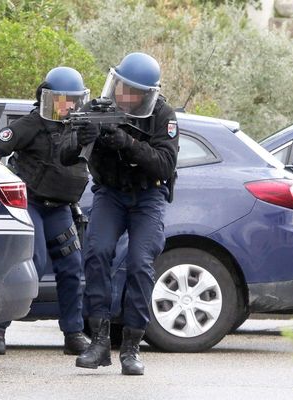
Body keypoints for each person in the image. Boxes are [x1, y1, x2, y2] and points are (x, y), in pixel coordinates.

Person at [60, 52, 179, 375]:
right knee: (97, 252)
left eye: (133, 92)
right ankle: (99, 341)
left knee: (140, 263)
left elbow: (165, 165)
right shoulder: (97, 109)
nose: (125, 96)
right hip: (110, 194)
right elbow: (65, 153)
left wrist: (126, 142)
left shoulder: (162, 115)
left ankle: (131, 347)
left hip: (148, 196)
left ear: (146, 94)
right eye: (122, 87)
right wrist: (80, 140)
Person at [0, 66, 91, 355]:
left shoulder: (79, 128)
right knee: (32, 260)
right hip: (29, 204)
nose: (67, 105)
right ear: (47, 97)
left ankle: (73, 334)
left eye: (72, 100)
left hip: (60, 208)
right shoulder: (29, 125)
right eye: (61, 99)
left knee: (71, 266)